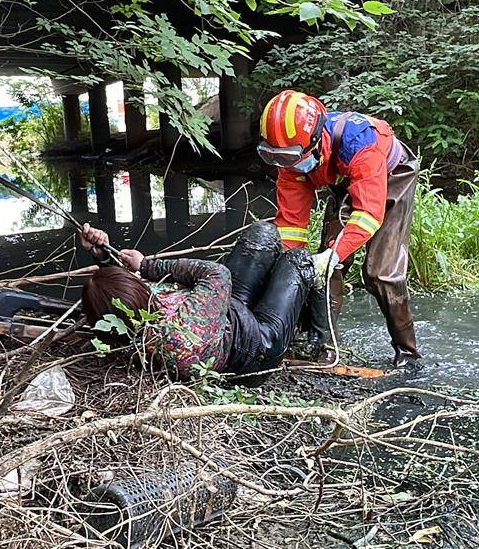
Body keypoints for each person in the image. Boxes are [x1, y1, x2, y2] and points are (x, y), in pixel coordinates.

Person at [257, 90, 421, 365]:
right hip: (345, 179)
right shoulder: (290, 161)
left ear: (316, 140)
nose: (287, 166)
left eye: (290, 157)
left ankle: (408, 353)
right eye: (277, 158)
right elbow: (291, 227)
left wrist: (333, 254)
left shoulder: (361, 142)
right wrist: (294, 265)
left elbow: (368, 214)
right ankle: (321, 345)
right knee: (323, 270)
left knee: (381, 272)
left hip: (392, 177)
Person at [77, 222, 321, 381]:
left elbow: (118, 301)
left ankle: (290, 309)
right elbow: (217, 274)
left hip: (226, 312)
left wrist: (103, 256)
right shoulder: (181, 328)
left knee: (263, 234)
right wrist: (147, 266)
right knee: (298, 260)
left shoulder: (128, 326)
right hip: (256, 344)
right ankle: (315, 341)